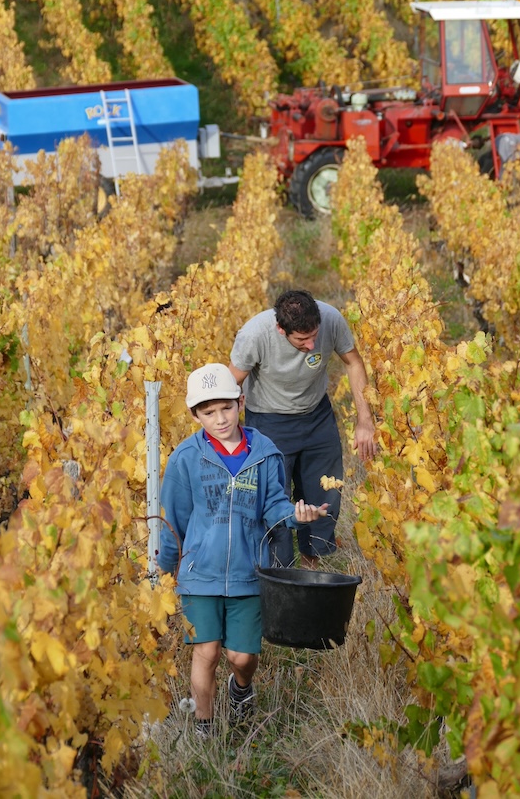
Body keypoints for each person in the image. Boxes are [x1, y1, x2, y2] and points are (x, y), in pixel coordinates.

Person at [157, 363, 328, 738]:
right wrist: (165, 568)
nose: (220, 419)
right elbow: (174, 520)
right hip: (199, 574)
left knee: (242, 657)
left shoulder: (265, 453)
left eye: (226, 408)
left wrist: (298, 516)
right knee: (207, 652)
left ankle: (241, 688)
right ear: (195, 415)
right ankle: (204, 727)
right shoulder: (185, 459)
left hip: (249, 573)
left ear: (241, 402)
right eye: (208, 412)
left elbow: (274, 507)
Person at [229, 289, 376, 570]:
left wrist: (364, 420)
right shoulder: (254, 335)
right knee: (273, 500)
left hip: (316, 418)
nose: (311, 345)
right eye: (301, 339)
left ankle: (311, 573)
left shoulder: (331, 319)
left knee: (324, 495)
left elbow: (354, 362)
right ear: (281, 330)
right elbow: (231, 382)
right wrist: (233, 434)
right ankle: (279, 576)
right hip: (268, 422)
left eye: (314, 336)